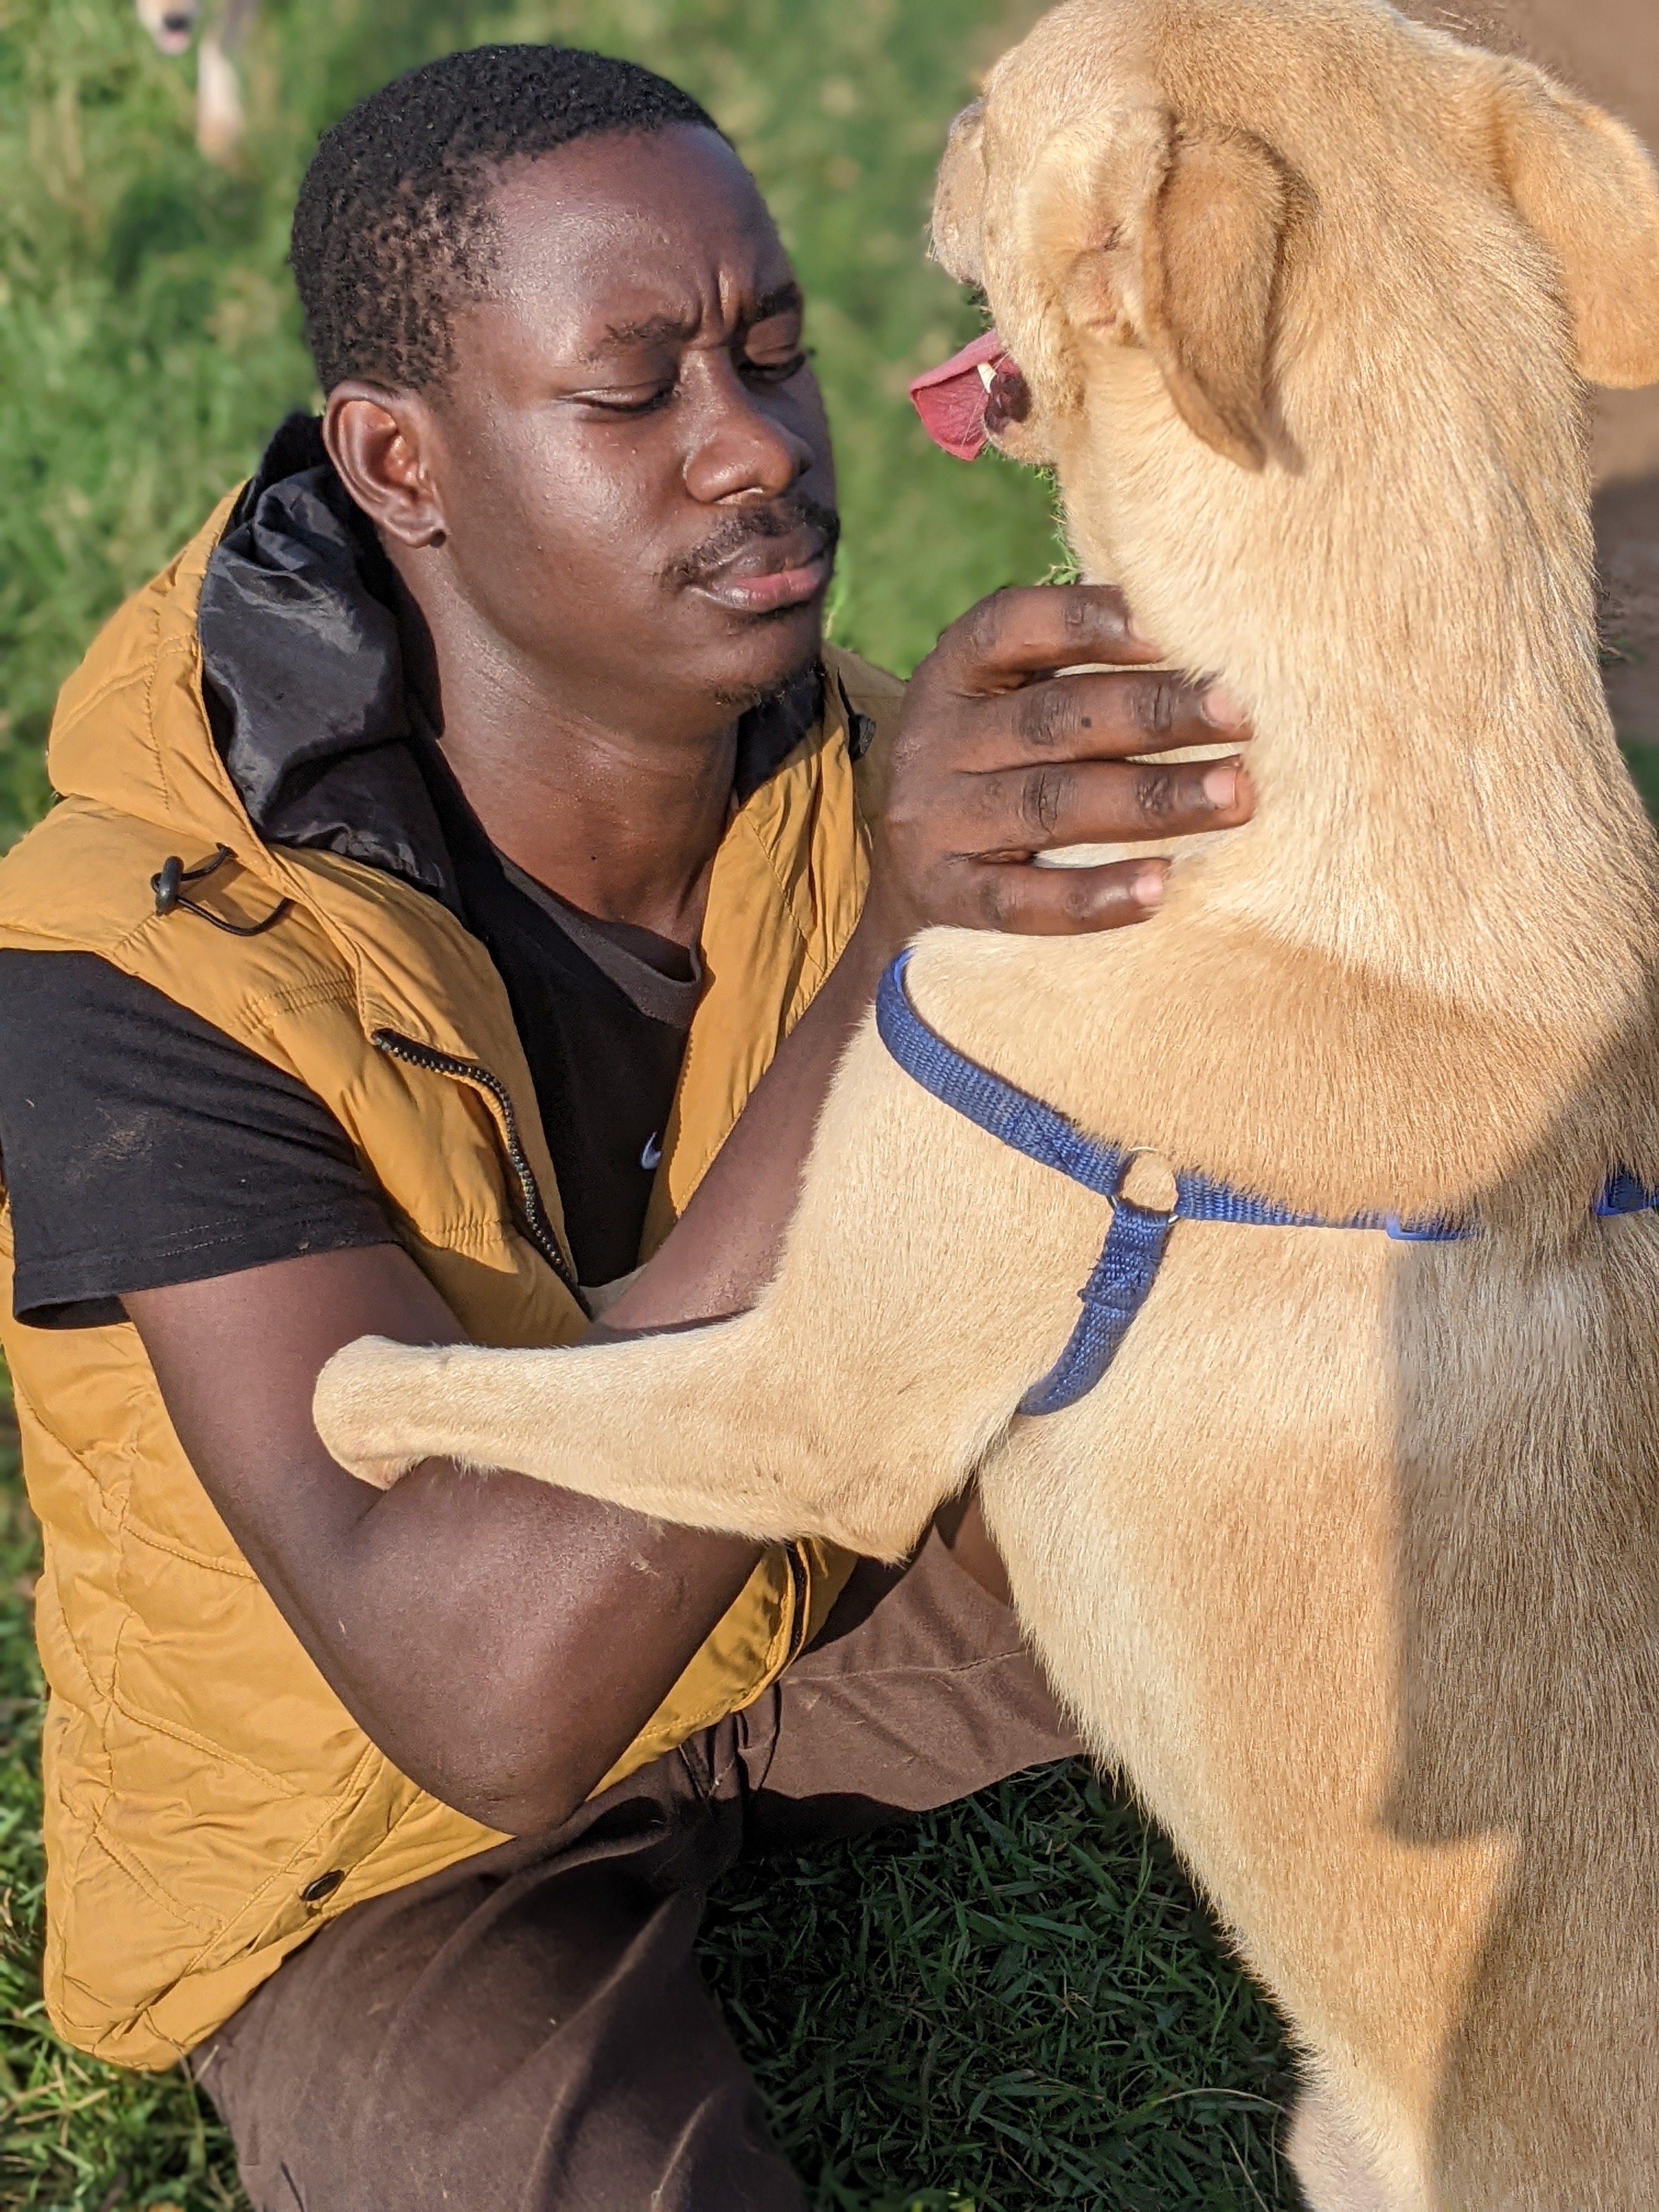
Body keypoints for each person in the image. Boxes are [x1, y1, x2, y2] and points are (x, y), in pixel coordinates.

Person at [0, 44, 1254, 2210]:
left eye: (775, 352)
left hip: (823, 1590)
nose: (755, 446)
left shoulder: (863, 765)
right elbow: (478, 1697)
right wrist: (903, 968)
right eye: (636, 388)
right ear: (406, 460)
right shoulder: (137, 967)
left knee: (1491, 1416)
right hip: (382, 1830)